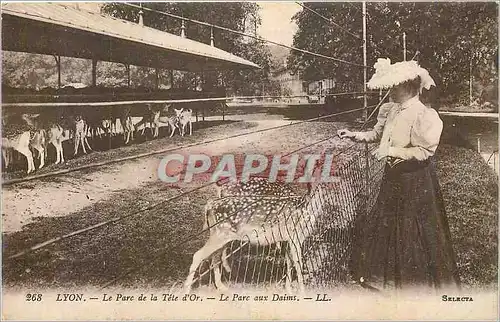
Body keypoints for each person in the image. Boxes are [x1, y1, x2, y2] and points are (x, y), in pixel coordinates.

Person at [338, 58, 461, 290]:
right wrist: (353, 135)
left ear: (410, 87)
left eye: (394, 87)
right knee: (389, 222)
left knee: (413, 227)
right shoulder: (391, 110)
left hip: (415, 179)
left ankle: (415, 281)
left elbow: (424, 151)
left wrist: (391, 151)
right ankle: (387, 277)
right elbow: (377, 135)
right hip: (393, 177)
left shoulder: (423, 115)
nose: (390, 91)